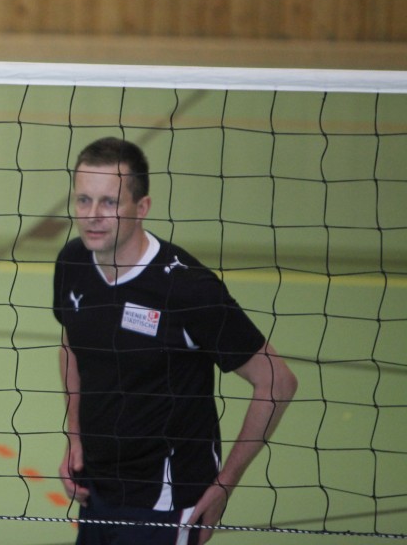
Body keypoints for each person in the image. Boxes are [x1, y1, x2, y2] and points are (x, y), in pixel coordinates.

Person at [53, 137, 297, 544]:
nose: (93, 216)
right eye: (83, 200)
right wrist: (75, 438)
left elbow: (277, 382)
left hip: (168, 498)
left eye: (109, 202)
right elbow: (72, 345)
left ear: (141, 207)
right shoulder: (73, 263)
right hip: (97, 486)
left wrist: (225, 484)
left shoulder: (188, 289)